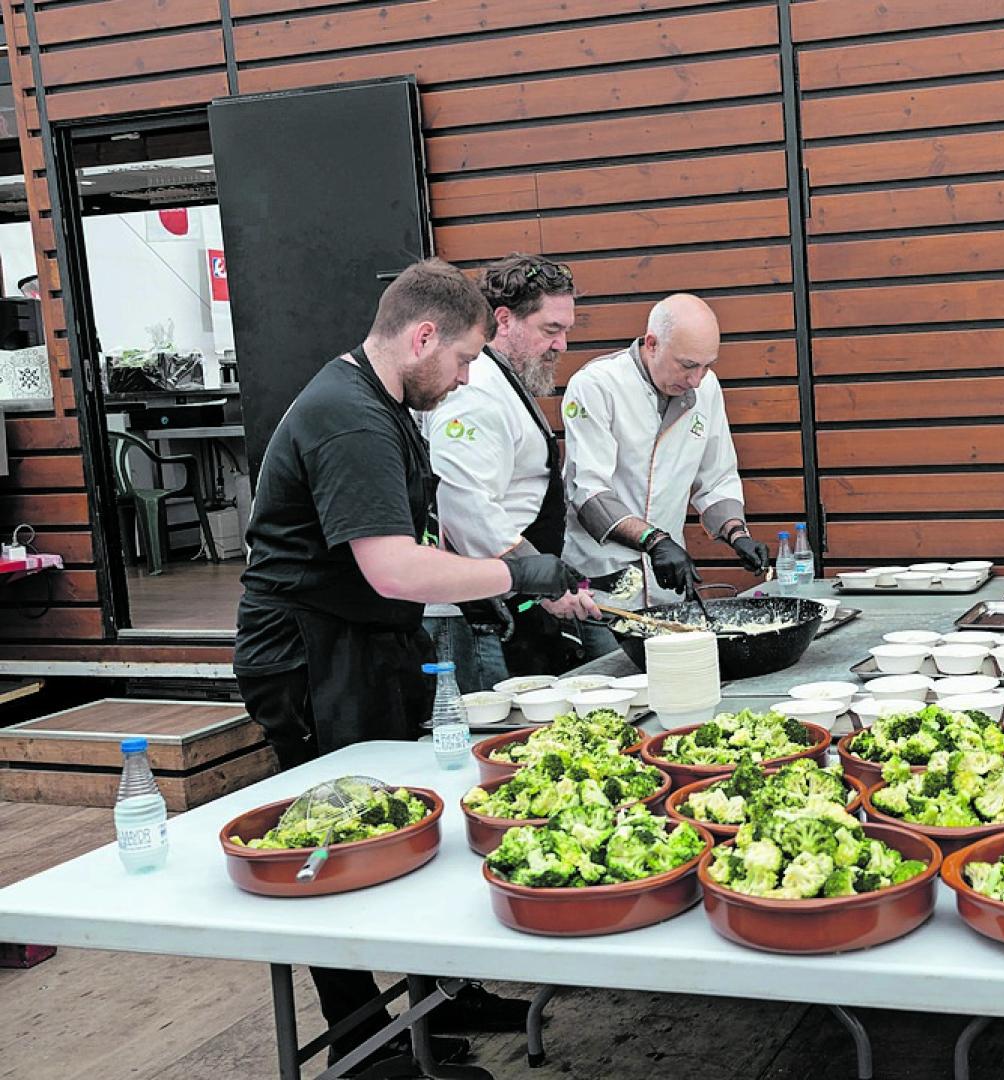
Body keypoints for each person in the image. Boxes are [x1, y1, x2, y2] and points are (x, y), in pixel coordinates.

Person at [234, 259, 583, 1074]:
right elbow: (393, 568)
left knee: (409, 822)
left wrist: (472, 594)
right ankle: (367, 1049)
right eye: (463, 359)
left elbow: (410, 546)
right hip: (310, 654)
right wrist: (515, 573)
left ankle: (439, 1004)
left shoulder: (384, 401)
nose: (466, 379)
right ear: (421, 336)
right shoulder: (351, 416)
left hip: (367, 640)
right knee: (330, 846)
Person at [421, 254, 602, 689]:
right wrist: (534, 575)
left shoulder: (502, 381)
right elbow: (463, 504)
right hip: (479, 615)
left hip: (513, 599)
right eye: (550, 330)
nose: (562, 345)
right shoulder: (475, 391)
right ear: (504, 320)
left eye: (566, 331)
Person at [561, 293, 771, 633]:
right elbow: (589, 492)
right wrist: (655, 540)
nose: (696, 380)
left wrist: (737, 533)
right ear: (652, 343)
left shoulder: (706, 388)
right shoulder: (596, 385)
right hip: (602, 590)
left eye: (708, 366)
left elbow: (716, 478)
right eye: (688, 365)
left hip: (666, 588)